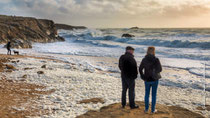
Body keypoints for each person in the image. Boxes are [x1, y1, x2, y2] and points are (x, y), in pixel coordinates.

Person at [139, 46, 162, 113]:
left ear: (147, 51)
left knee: (147, 94)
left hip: (147, 79)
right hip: (154, 79)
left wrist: (143, 76)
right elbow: (160, 69)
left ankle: (146, 109)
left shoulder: (144, 59)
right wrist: (155, 71)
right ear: (153, 51)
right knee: (154, 95)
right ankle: (152, 110)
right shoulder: (156, 59)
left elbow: (140, 69)